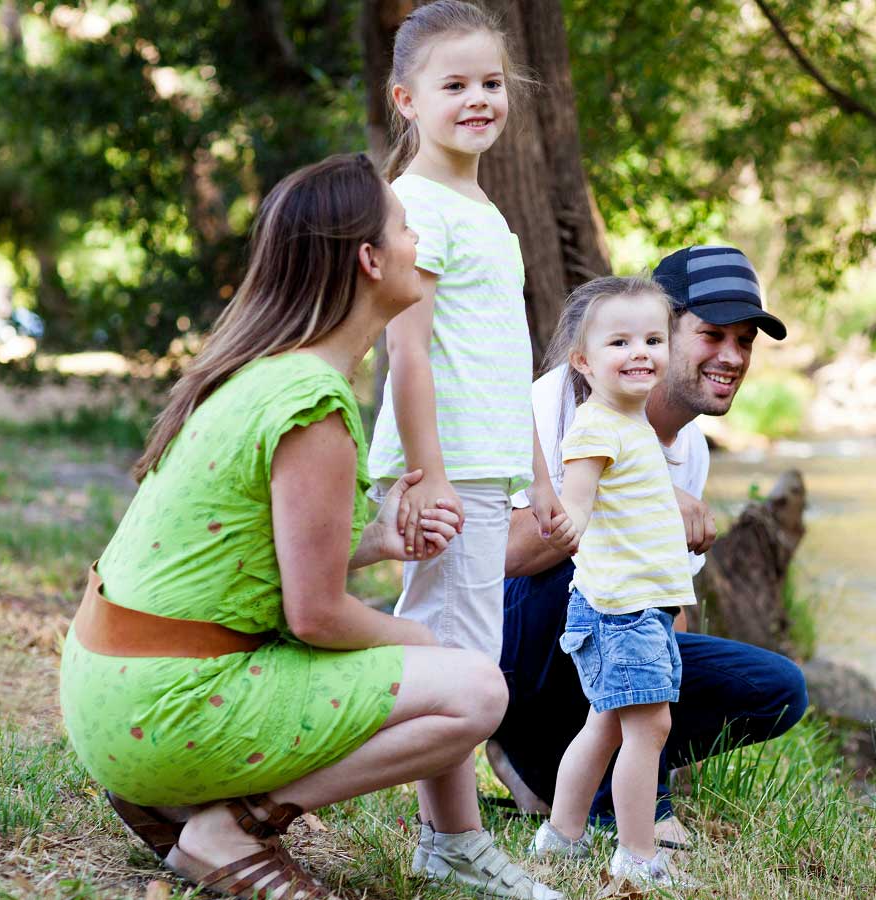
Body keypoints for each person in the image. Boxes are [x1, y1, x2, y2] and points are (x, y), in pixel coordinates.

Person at [57, 153, 518, 900]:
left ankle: (186, 801)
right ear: (369, 260)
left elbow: (251, 563)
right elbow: (314, 617)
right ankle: (229, 826)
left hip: (113, 692)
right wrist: (424, 641)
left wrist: (374, 545)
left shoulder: (262, 371)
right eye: (405, 229)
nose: (418, 245)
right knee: (474, 689)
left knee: (447, 666)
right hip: (164, 706)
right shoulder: (312, 401)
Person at [492, 246, 809, 849]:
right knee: (580, 581)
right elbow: (504, 557)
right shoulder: (554, 404)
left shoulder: (692, 448)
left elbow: (667, 600)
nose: (733, 357)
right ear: (661, 331)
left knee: (778, 689)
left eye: (745, 341)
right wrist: (646, 499)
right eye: (713, 334)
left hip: (608, 647)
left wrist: (654, 728)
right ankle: (528, 748)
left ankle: (597, 775)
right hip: (518, 646)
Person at [367, 2, 567, 897]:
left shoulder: (479, 203)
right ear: (406, 99)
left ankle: (449, 838)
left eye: (491, 83)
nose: (479, 99)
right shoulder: (416, 205)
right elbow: (406, 349)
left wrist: (538, 474)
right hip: (442, 465)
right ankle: (451, 840)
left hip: (486, 467)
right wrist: (428, 471)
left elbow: (499, 355)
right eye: (456, 85)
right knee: (459, 667)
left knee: (460, 658)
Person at [521, 276, 699, 887]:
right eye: (619, 342)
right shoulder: (596, 427)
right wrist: (560, 521)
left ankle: (562, 835)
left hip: (637, 604)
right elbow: (578, 503)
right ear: (583, 362)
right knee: (649, 728)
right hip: (618, 607)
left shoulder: (633, 423)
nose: (640, 352)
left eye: (652, 338)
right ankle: (637, 853)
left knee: (603, 723)